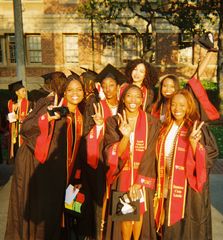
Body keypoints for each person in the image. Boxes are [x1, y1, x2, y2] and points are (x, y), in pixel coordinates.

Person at [5, 73, 85, 240]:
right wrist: (46, 118)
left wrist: (75, 178)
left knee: (57, 213)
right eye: (70, 90)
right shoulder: (50, 103)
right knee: (40, 214)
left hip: (59, 172)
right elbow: (26, 128)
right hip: (36, 165)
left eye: (78, 89)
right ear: (64, 91)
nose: (75, 93)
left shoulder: (78, 115)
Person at [154, 89, 219, 240]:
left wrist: (194, 144)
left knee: (187, 229)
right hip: (166, 184)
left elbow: (210, 156)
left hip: (189, 189)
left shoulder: (197, 128)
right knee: (168, 228)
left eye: (182, 105)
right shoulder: (164, 128)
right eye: (174, 105)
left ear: (189, 106)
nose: (177, 109)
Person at [103, 84, 160, 240]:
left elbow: (151, 152)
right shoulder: (113, 122)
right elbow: (112, 153)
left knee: (140, 215)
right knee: (125, 217)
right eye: (129, 96)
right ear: (123, 99)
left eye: (137, 96)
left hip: (143, 176)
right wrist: (126, 136)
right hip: (122, 174)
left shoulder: (152, 122)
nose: (133, 100)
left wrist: (139, 181)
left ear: (142, 100)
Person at [82, 63, 127, 239]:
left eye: (111, 85)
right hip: (100, 160)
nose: (108, 89)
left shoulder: (126, 106)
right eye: (105, 86)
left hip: (121, 160)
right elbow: (86, 133)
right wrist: (99, 126)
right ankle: (98, 233)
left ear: (118, 87)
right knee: (100, 200)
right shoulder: (95, 106)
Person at [151, 33, 220, 123]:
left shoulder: (184, 97)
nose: (168, 89)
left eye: (172, 86)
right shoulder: (155, 107)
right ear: (160, 88)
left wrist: (210, 52)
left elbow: (195, 77)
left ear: (176, 87)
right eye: (165, 86)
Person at [7, 80, 31, 161]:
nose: (25, 93)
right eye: (23, 91)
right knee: (14, 148)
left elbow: (30, 117)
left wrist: (20, 117)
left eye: (25, 91)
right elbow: (7, 117)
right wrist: (12, 114)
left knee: (22, 149)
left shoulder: (28, 103)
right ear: (17, 92)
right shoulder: (10, 103)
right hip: (13, 130)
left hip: (23, 130)